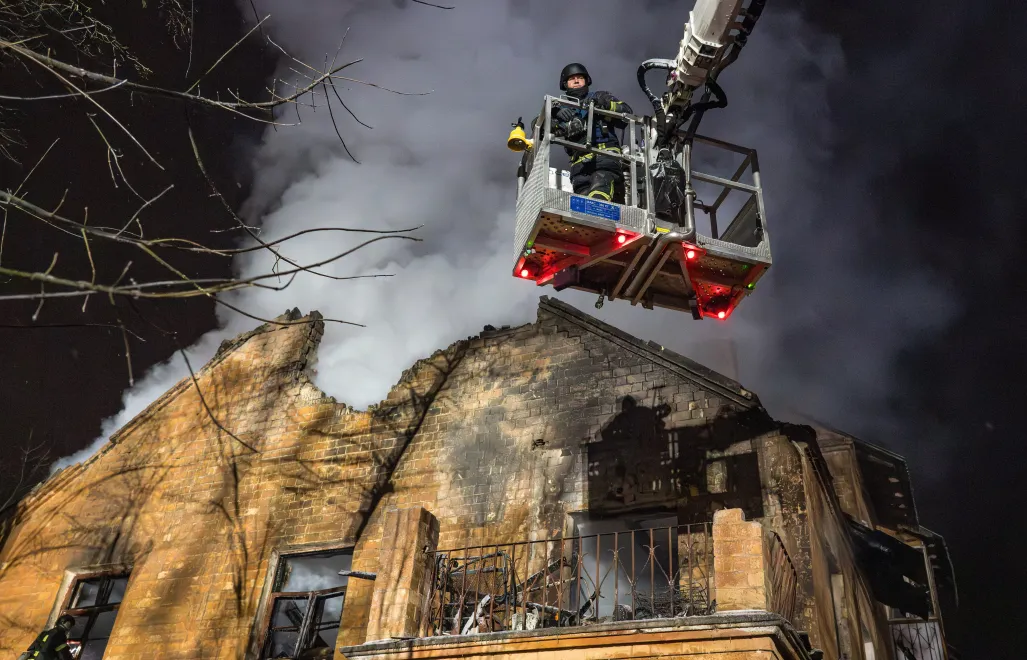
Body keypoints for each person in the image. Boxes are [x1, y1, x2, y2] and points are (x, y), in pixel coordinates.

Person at [552, 63, 633, 202]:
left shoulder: (600, 96)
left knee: (598, 195)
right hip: (579, 168)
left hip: (604, 159)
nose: (576, 80)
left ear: (586, 81)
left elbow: (627, 114)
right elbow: (538, 128)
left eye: (580, 77)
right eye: (572, 79)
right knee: (583, 205)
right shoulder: (560, 107)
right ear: (565, 84)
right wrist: (554, 114)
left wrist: (604, 104)